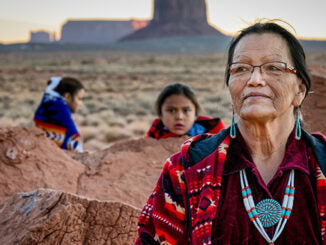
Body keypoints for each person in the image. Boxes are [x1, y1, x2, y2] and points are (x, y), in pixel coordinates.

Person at [135, 20, 326, 244]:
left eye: (273, 67)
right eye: (241, 69)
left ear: (300, 91)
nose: (254, 80)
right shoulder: (185, 169)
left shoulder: (321, 162)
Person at [145, 83, 225, 139]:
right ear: (160, 114)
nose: (179, 117)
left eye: (186, 110)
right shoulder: (156, 131)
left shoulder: (214, 134)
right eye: (171, 110)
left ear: (195, 115)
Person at [34, 77, 85, 152]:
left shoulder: (48, 103)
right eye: (79, 99)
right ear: (67, 96)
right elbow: (74, 140)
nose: (81, 104)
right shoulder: (61, 111)